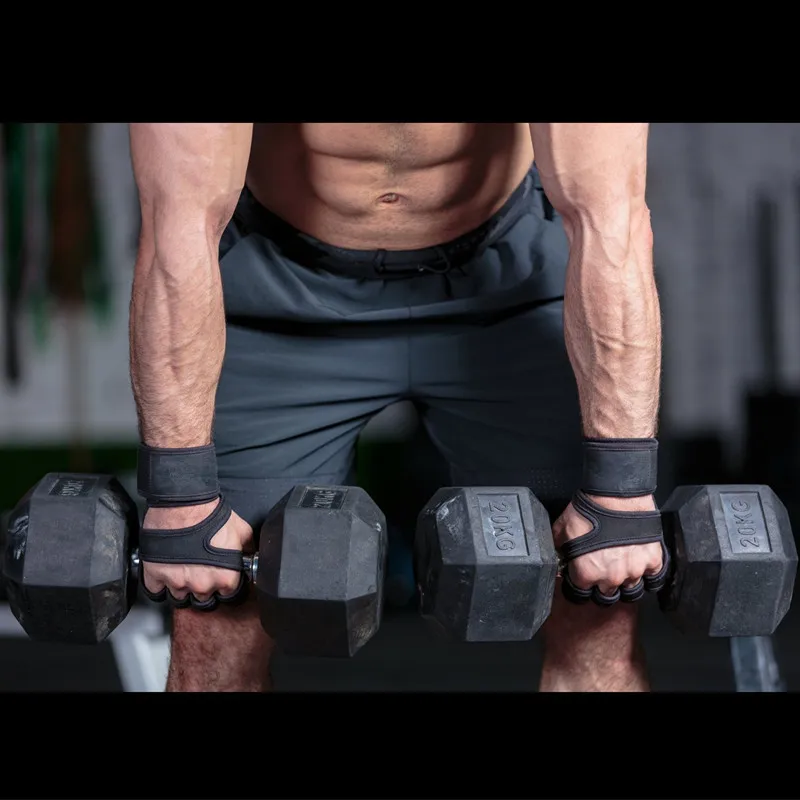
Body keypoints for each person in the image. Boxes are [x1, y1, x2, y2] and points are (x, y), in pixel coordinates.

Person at [129, 123, 665, 692]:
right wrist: (181, 493)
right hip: (284, 293)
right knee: (214, 611)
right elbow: (178, 225)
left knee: (597, 599)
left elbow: (610, 220)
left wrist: (621, 489)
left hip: (506, 285)